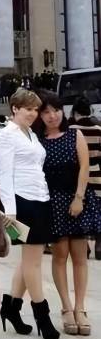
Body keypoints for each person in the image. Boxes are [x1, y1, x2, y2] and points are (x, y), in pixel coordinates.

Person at [0, 88, 60, 339]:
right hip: (20, 202)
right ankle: (42, 316)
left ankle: (11, 308)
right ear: (15, 108)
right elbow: (4, 175)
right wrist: (9, 211)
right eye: (28, 109)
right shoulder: (5, 135)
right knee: (33, 262)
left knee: (29, 260)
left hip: (40, 198)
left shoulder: (31, 133)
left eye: (35, 109)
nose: (33, 113)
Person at [35, 92, 101, 336]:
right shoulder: (38, 141)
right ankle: (66, 307)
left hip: (76, 200)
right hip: (52, 203)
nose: (52, 116)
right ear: (40, 115)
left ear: (63, 111)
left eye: (56, 110)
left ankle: (80, 307)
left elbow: (84, 167)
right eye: (46, 112)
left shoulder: (75, 135)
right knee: (59, 255)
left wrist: (79, 198)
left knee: (80, 257)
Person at [69, 96, 101, 260]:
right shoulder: (98, 129)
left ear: (75, 112)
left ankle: (85, 247)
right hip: (96, 174)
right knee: (99, 210)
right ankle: (99, 246)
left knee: (81, 211)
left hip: (77, 175)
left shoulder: (71, 130)